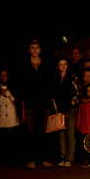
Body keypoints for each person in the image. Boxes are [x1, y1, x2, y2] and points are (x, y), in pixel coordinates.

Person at [18, 39, 53, 170]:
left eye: (37, 47)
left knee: (42, 132)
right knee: (30, 132)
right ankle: (31, 159)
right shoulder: (24, 65)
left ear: (40, 50)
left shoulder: (46, 65)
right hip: (29, 104)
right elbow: (20, 84)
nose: (34, 50)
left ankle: (43, 159)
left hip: (44, 103)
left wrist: (49, 99)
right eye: (32, 47)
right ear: (29, 50)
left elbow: (51, 84)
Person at [52, 57, 82, 167]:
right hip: (59, 110)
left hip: (71, 110)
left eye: (65, 64)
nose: (63, 66)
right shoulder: (55, 78)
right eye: (61, 64)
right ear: (58, 66)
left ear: (67, 66)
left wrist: (72, 103)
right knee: (61, 135)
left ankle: (69, 158)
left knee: (70, 134)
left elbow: (79, 93)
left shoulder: (73, 78)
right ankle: (62, 156)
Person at [0, 69, 20, 165]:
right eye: (2, 76)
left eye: (5, 75)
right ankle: (3, 159)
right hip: (0, 116)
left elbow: (17, 101)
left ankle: (11, 160)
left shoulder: (13, 87)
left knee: (11, 140)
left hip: (11, 116)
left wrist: (7, 94)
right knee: (2, 140)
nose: (4, 77)